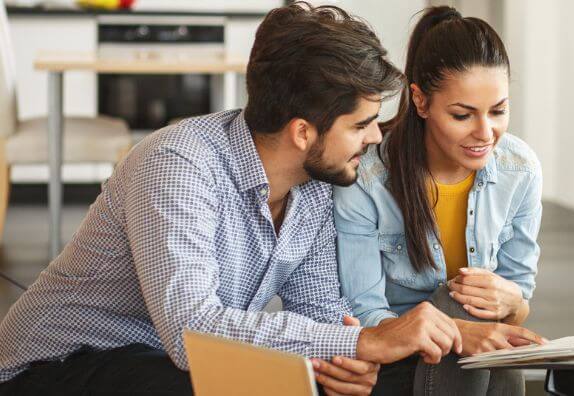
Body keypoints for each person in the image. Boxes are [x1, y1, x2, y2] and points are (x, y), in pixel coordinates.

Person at [0, 3, 459, 395]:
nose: (376, 138)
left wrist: (344, 359)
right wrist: (360, 345)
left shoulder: (319, 184)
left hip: (162, 363)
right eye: (361, 125)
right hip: (54, 369)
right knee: (233, 383)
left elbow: (319, 315)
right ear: (302, 132)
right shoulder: (177, 164)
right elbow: (191, 333)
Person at [334, 6, 544, 395]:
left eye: (498, 111)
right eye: (463, 115)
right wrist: (462, 332)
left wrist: (512, 302)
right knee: (457, 301)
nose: (486, 132)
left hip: (473, 365)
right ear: (421, 101)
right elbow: (365, 315)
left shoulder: (520, 169)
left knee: (492, 330)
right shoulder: (366, 177)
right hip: (393, 362)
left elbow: (518, 305)